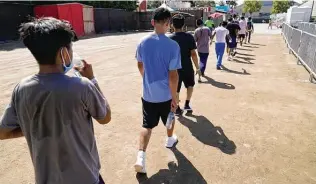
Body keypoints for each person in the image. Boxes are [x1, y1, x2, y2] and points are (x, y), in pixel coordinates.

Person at [0, 17, 111, 184]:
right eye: (70, 47)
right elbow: (105, 117)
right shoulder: (82, 86)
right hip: (86, 178)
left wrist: (35, 127)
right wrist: (92, 79)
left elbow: (3, 132)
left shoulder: (21, 89)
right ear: (64, 53)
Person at [134, 8, 181, 174]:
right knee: (170, 116)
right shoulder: (173, 46)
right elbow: (173, 75)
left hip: (148, 94)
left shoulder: (142, 42)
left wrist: (146, 79)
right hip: (166, 94)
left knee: (147, 125)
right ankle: (169, 139)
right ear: (168, 24)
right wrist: (174, 96)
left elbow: (140, 65)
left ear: (153, 22)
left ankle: (140, 157)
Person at [169, 14, 201, 115]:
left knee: (176, 89)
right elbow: (193, 54)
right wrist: (197, 67)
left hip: (174, 68)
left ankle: (177, 108)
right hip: (187, 66)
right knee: (190, 85)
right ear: (183, 25)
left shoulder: (169, 39)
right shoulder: (189, 37)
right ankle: (187, 104)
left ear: (172, 25)